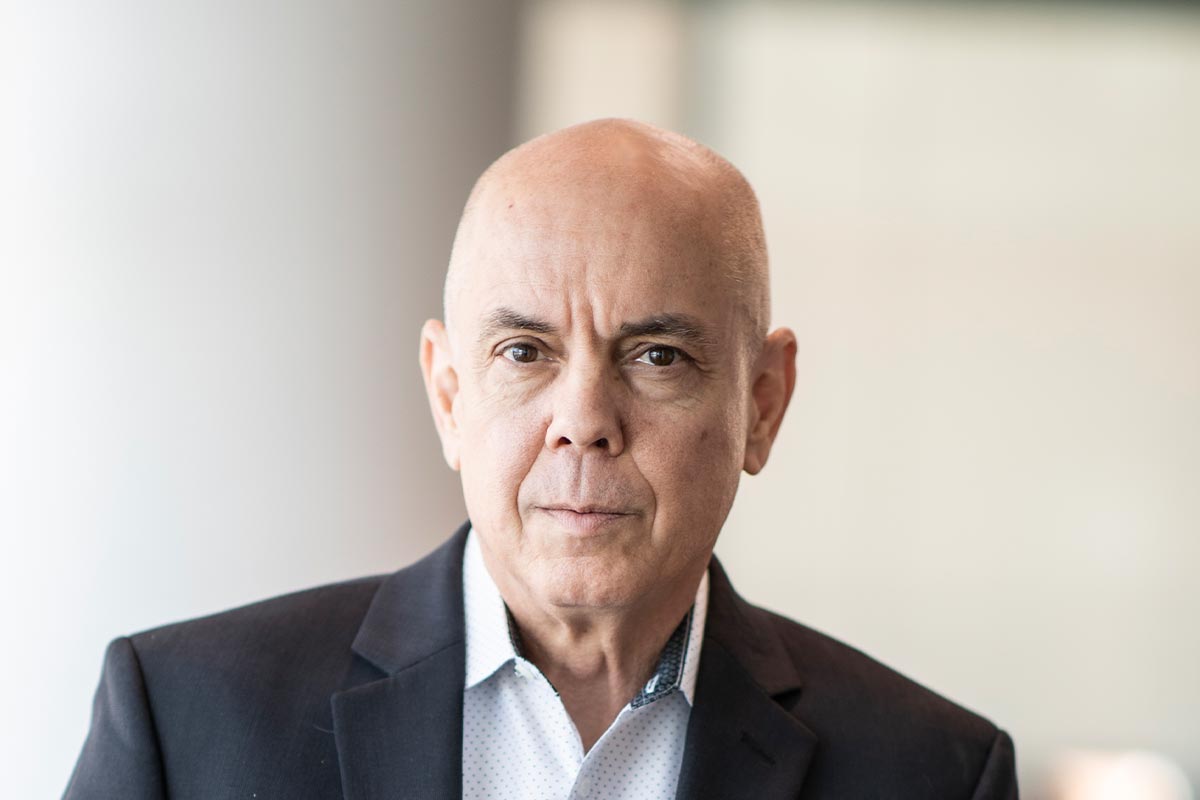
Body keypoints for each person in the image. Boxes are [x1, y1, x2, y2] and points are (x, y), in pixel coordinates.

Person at [66, 119, 1018, 799]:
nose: (584, 422)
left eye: (657, 357)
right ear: (449, 393)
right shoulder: (188, 724)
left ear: (762, 403)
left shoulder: (929, 771)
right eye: (524, 352)